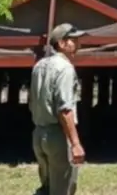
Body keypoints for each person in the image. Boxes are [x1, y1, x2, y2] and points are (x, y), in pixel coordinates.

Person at [29, 23, 86, 195]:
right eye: (74, 40)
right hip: (57, 136)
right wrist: (75, 144)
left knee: (46, 188)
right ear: (61, 43)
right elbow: (65, 109)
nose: (78, 44)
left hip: (39, 134)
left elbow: (32, 101)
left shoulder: (39, 66)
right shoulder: (65, 68)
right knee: (63, 189)